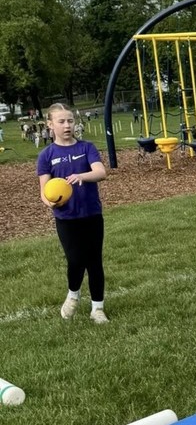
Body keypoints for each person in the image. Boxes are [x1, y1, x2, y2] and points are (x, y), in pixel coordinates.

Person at [37, 103, 109, 323]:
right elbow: (44, 191)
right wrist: (50, 202)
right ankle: (73, 294)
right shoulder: (46, 155)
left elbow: (100, 172)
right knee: (75, 259)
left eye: (70, 121)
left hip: (91, 215)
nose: (67, 125)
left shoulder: (86, 148)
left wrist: (81, 176)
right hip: (66, 218)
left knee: (94, 261)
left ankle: (97, 309)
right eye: (61, 121)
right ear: (50, 125)